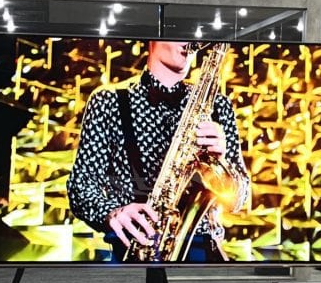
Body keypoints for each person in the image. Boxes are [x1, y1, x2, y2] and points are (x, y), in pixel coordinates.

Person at [68, 40, 250, 259]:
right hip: (139, 253)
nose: (191, 41)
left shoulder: (219, 106)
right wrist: (112, 213)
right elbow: (81, 186)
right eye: (180, 31)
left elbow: (239, 199)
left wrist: (222, 162)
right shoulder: (108, 101)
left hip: (204, 254)